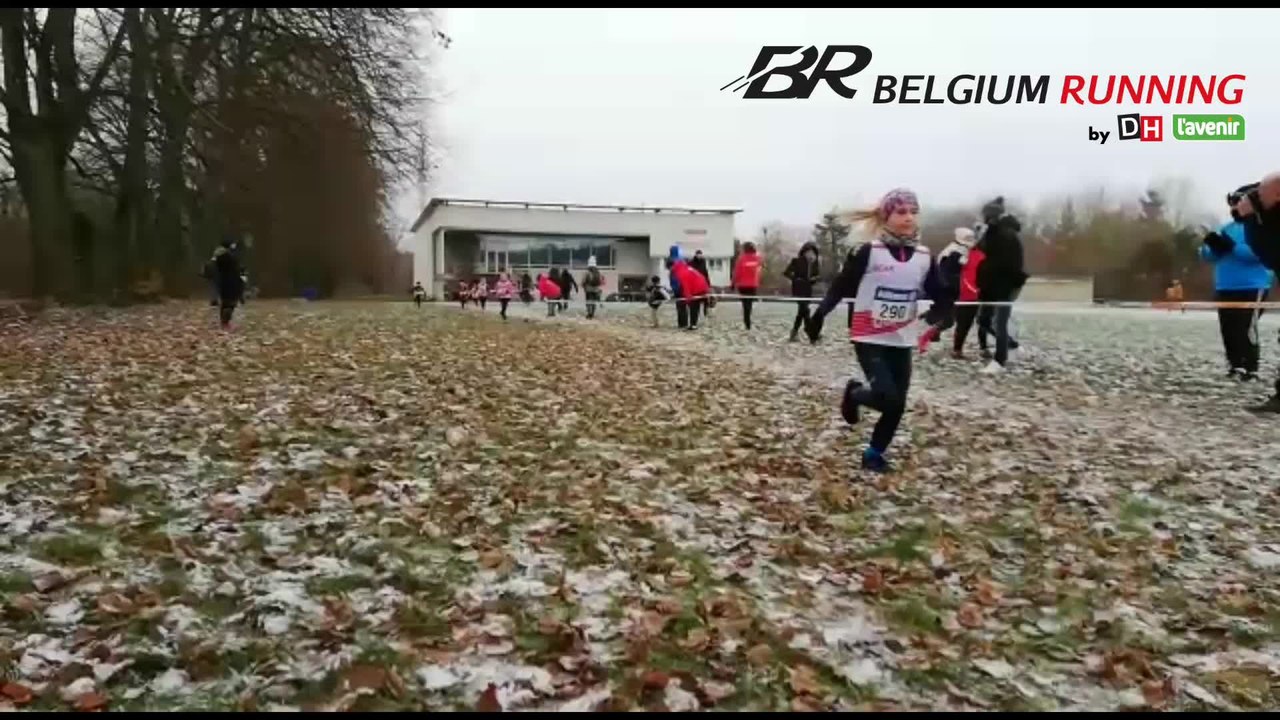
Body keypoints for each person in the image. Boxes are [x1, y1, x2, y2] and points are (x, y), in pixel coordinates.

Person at [805, 188, 953, 474]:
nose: (909, 218)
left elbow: (942, 296)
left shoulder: (925, 257)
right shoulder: (868, 252)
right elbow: (841, 286)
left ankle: (874, 454)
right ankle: (855, 393)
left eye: (913, 211)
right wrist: (820, 314)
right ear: (887, 216)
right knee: (888, 397)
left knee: (898, 404)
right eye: (901, 212)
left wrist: (936, 319)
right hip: (868, 336)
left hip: (901, 338)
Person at [1201, 202, 1274, 382]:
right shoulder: (1225, 228)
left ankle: (1251, 368)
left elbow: (1258, 254)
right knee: (1228, 328)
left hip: (1253, 285)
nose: (1235, 207)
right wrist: (1212, 246)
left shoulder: (1261, 228)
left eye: (1240, 203)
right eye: (1233, 204)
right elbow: (1206, 255)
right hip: (1225, 286)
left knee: (1247, 327)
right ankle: (1235, 366)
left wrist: (1232, 247)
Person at [975, 196, 1029, 373]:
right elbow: (980, 250)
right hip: (991, 285)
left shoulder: (1006, 234)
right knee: (984, 321)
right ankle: (1012, 346)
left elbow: (1008, 263)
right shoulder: (992, 232)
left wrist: (1005, 283)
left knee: (999, 322)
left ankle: (1000, 360)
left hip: (1004, 285)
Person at [916, 227, 974, 353]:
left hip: (951, 290)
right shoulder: (955, 252)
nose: (970, 240)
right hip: (947, 290)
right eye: (967, 238)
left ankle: (927, 331)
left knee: (947, 319)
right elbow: (949, 272)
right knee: (948, 320)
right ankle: (924, 337)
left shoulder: (957, 249)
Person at [952, 230, 990, 359]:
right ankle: (957, 349)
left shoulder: (981, 255)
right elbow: (963, 276)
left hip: (980, 295)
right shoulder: (962, 255)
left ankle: (984, 348)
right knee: (964, 324)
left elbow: (985, 275)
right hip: (966, 296)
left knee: (984, 323)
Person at [784, 242, 821, 343]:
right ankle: (812, 333)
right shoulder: (796, 261)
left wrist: (814, 279)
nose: (810, 254)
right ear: (804, 252)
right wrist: (796, 279)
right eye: (808, 252)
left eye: (812, 252)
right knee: (805, 310)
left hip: (808, 289)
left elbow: (817, 275)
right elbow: (786, 272)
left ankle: (794, 332)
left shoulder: (815, 263)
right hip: (798, 288)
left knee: (802, 312)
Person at [668, 245, 710, 330]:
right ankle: (690, 324)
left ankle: (690, 324)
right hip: (700, 284)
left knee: (693, 305)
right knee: (693, 305)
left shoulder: (680, 272)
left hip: (698, 287)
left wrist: (688, 298)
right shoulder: (682, 266)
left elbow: (686, 286)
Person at [213, 236, 244, 330]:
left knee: (226, 302)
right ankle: (225, 322)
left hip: (224, 281)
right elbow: (235, 268)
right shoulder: (227, 256)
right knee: (230, 302)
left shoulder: (218, 256)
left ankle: (225, 322)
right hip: (230, 281)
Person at [731, 241, 763, 330]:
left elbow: (737, 272)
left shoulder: (741, 259)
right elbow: (759, 271)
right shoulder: (758, 258)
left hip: (743, 285)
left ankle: (746, 320)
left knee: (745, 303)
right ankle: (747, 319)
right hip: (753, 284)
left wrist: (733, 283)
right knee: (749, 303)